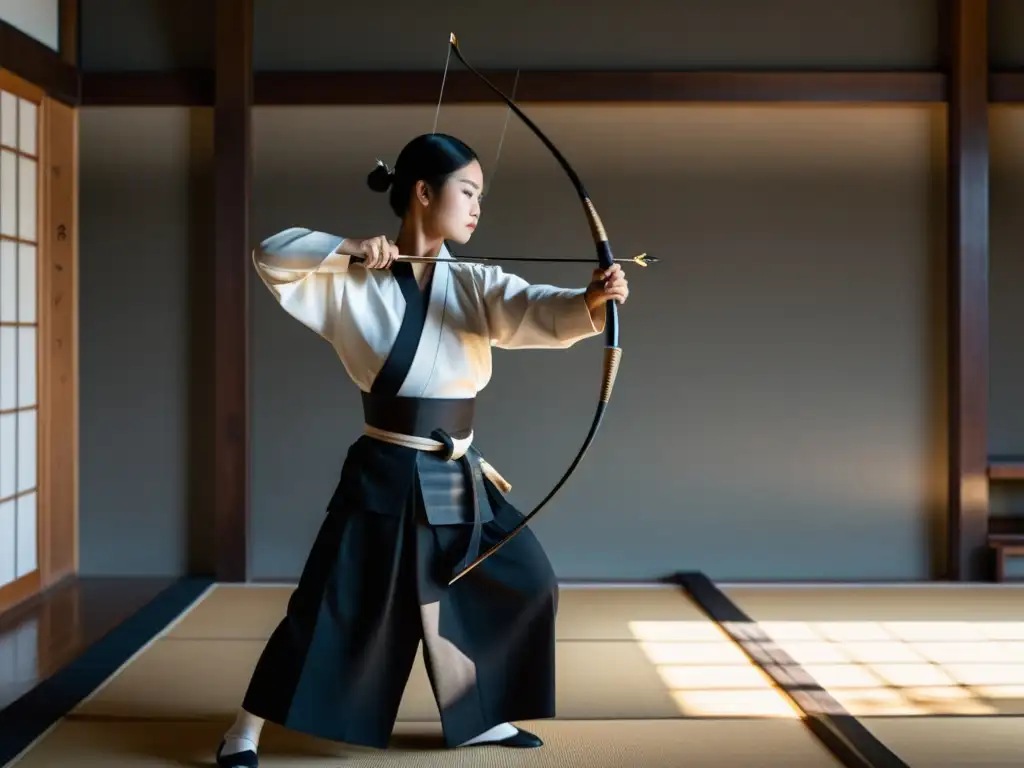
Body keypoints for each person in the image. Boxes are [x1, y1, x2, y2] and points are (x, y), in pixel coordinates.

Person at [215, 133, 629, 768]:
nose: (477, 208)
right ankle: (244, 730)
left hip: (457, 468)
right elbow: (271, 254)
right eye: (468, 191)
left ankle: (480, 719)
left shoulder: (472, 283)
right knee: (332, 600)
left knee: (524, 580)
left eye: (481, 197)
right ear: (422, 191)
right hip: (386, 468)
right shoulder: (350, 281)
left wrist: (590, 302)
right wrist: (351, 248)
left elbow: (529, 308)